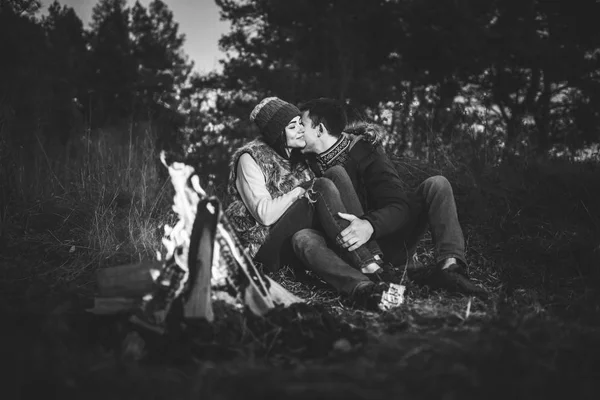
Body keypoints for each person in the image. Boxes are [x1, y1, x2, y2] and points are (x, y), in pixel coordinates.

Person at [295, 98, 488, 298]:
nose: (298, 129)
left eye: (303, 124)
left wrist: (369, 225)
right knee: (304, 238)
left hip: (385, 235)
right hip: (347, 245)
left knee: (437, 184)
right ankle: (370, 283)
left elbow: (399, 207)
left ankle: (451, 270)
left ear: (319, 129)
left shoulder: (365, 150)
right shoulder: (302, 161)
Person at [224, 97, 399, 310]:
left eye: (300, 122)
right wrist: (301, 190)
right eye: (292, 126)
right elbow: (264, 215)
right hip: (264, 247)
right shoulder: (250, 158)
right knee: (321, 185)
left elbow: (334, 144)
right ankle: (371, 265)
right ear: (276, 133)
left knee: (306, 236)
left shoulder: (300, 157)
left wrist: (363, 138)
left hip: (292, 241)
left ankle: (364, 288)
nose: (300, 130)